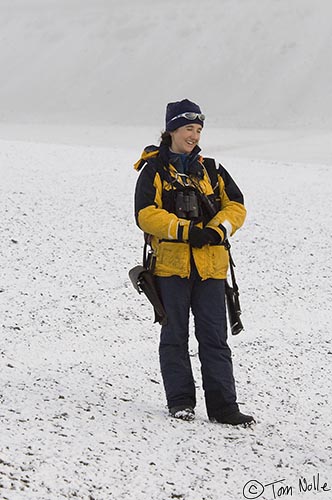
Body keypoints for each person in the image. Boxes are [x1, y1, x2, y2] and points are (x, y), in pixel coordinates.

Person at [133, 98, 254, 426]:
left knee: (215, 338)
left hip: (212, 268)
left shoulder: (212, 170)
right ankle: (181, 402)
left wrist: (216, 231)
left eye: (198, 129)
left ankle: (224, 407)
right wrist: (186, 231)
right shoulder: (154, 169)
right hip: (171, 268)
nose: (194, 135)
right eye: (188, 128)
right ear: (171, 130)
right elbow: (145, 215)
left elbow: (237, 207)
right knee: (174, 336)